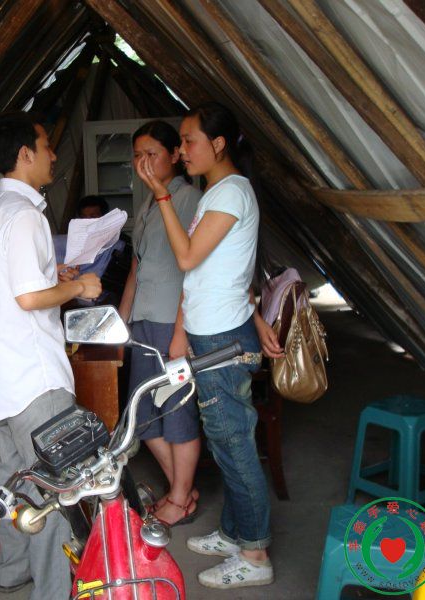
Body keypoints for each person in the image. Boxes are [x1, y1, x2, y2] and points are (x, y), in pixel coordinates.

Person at [136, 101, 283, 589]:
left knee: (234, 445)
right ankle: (235, 532)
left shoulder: (231, 192)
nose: (182, 150)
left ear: (218, 144)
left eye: (189, 141)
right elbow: (224, 272)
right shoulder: (218, 192)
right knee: (224, 442)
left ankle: (255, 554)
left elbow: (187, 257)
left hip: (221, 335)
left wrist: (161, 194)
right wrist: (253, 316)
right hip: (215, 329)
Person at [0, 111, 102, 599]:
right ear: (25, 154)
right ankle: (52, 592)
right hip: (35, 378)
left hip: (4, 381)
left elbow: (11, 288)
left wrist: (53, 278)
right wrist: (80, 287)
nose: (52, 155)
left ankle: (12, 570)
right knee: (53, 491)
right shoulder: (25, 215)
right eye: (46, 146)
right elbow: (28, 299)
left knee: (13, 484)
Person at [118, 120, 203, 528]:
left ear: (174, 155)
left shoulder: (189, 200)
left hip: (171, 323)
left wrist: (180, 333)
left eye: (152, 154)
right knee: (143, 416)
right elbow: (137, 267)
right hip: (144, 323)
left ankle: (180, 498)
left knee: (176, 412)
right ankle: (183, 492)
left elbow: (194, 271)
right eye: (138, 155)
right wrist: (121, 318)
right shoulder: (148, 205)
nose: (144, 163)